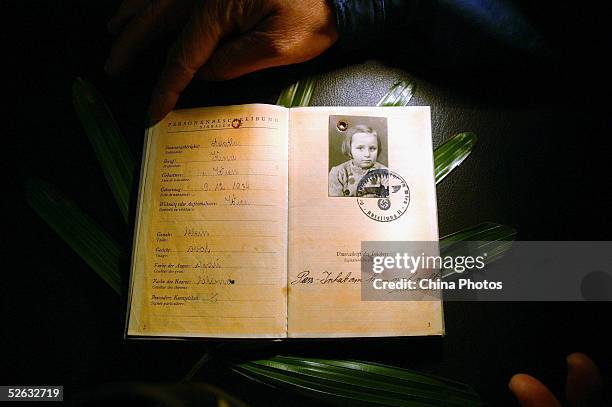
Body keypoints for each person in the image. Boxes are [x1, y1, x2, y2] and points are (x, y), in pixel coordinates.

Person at [329, 124, 386, 197]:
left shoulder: (385, 173)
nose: (367, 154)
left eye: (372, 148)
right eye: (360, 148)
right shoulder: (338, 173)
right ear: (349, 149)